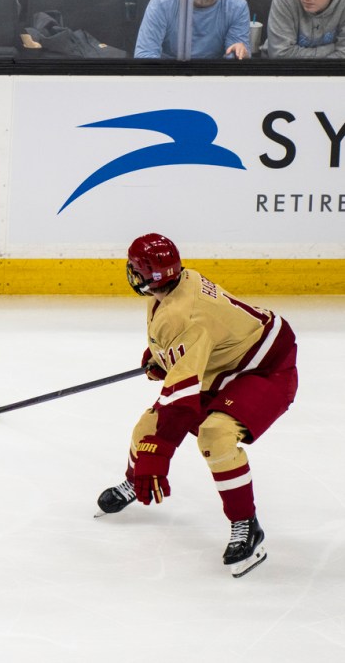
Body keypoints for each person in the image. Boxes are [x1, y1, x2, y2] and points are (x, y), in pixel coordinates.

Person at [97, 234, 298, 578]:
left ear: (149, 274)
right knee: (146, 426)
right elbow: (194, 339)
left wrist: (158, 453)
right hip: (224, 362)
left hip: (265, 367)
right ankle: (134, 480)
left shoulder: (182, 315)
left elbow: (181, 402)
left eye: (133, 267)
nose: (129, 270)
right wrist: (163, 356)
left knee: (215, 434)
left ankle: (246, 525)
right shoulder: (174, 285)